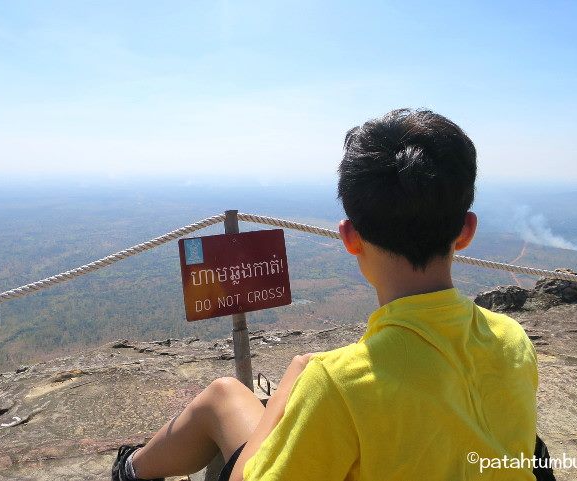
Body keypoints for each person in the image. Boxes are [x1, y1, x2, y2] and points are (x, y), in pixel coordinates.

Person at [112, 109, 538, 481]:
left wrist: (292, 383)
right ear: (466, 231)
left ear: (349, 237)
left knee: (224, 394)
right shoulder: (513, 340)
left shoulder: (338, 384)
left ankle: (129, 471)